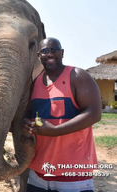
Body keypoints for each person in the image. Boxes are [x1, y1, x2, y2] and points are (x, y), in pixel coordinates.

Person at [22, 37, 102, 192]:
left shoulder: (78, 76)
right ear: (39, 56)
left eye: (54, 50)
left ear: (62, 52)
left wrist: (55, 131)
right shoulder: (35, 83)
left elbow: (94, 113)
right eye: (45, 51)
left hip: (73, 173)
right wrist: (25, 122)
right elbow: (28, 113)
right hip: (39, 172)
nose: (50, 54)